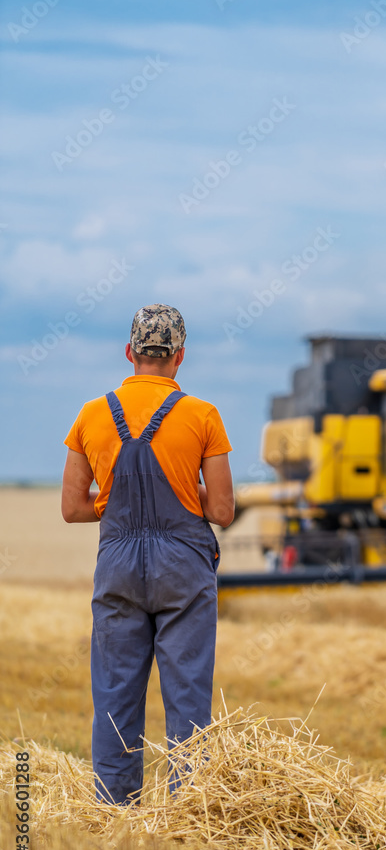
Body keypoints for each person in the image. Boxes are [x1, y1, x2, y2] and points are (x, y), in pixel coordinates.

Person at [61, 304, 234, 804]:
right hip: (183, 566)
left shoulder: (92, 415)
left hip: (117, 565)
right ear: (179, 356)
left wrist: (116, 505)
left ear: (130, 352)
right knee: (188, 699)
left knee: (114, 700)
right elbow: (221, 509)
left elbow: (73, 508)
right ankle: (186, 811)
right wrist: (185, 492)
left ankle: (114, 813)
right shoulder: (203, 415)